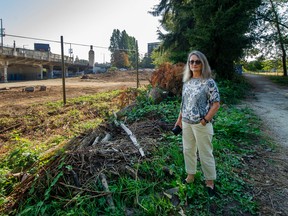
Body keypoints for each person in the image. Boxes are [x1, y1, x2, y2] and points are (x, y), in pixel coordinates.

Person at [174, 50, 220, 196]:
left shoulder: (209, 82)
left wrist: (205, 120)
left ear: (203, 63)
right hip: (186, 123)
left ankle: (210, 182)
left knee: (205, 152)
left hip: (201, 124)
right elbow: (184, 103)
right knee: (188, 150)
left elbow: (216, 104)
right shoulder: (187, 82)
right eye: (191, 61)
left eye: (197, 61)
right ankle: (191, 176)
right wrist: (179, 120)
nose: (194, 64)